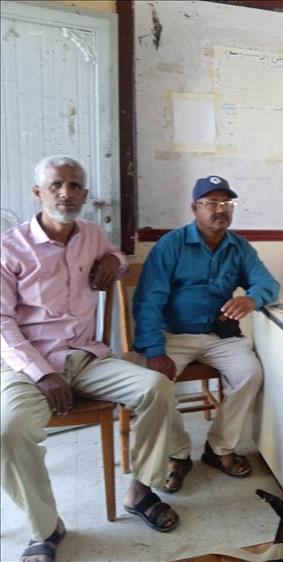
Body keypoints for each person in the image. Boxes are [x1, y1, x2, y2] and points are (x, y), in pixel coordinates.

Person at [1, 156, 180, 562]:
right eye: (56, 185)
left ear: (84, 194)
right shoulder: (9, 247)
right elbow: (1, 323)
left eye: (75, 186)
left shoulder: (92, 235)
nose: (66, 193)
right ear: (38, 192)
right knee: (8, 430)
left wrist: (115, 260)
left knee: (156, 387)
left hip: (85, 357)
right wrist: (43, 374)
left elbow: (117, 255)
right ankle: (46, 528)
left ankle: (141, 491)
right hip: (29, 365)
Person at [133, 175, 280, 493]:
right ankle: (178, 453)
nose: (220, 210)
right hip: (174, 335)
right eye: (211, 203)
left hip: (219, 336)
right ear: (194, 208)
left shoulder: (239, 247)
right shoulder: (171, 245)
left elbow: (269, 284)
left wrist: (251, 299)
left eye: (227, 203)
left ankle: (219, 447)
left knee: (250, 373)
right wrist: (155, 350)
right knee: (155, 383)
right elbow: (148, 302)